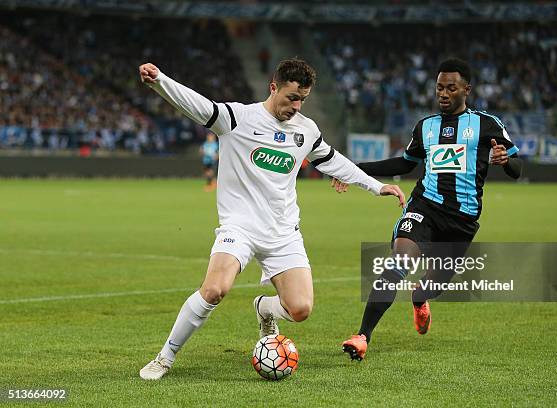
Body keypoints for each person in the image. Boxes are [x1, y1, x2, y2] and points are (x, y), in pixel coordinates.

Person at [137, 58, 406, 380]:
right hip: (240, 227)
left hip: (283, 233)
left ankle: (264, 308)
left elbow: (333, 161)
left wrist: (376, 186)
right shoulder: (237, 118)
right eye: (291, 97)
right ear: (273, 87)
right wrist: (159, 80)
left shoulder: (305, 130)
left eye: (302, 99)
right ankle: (165, 358)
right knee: (214, 290)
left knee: (300, 309)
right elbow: (196, 104)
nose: (296, 105)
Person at [339, 58, 522, 360]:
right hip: (424, 206)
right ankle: (362, 336)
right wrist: (353, 169)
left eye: (451, 88)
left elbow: (517, 167)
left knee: (429, 287)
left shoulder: (487, 124)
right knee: (399, 262)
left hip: (462, 221)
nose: (443, 93)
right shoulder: (425, 127)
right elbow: (404, 164)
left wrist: (506, 161)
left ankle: (420, 299)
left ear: (467, 89)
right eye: (439, 87)